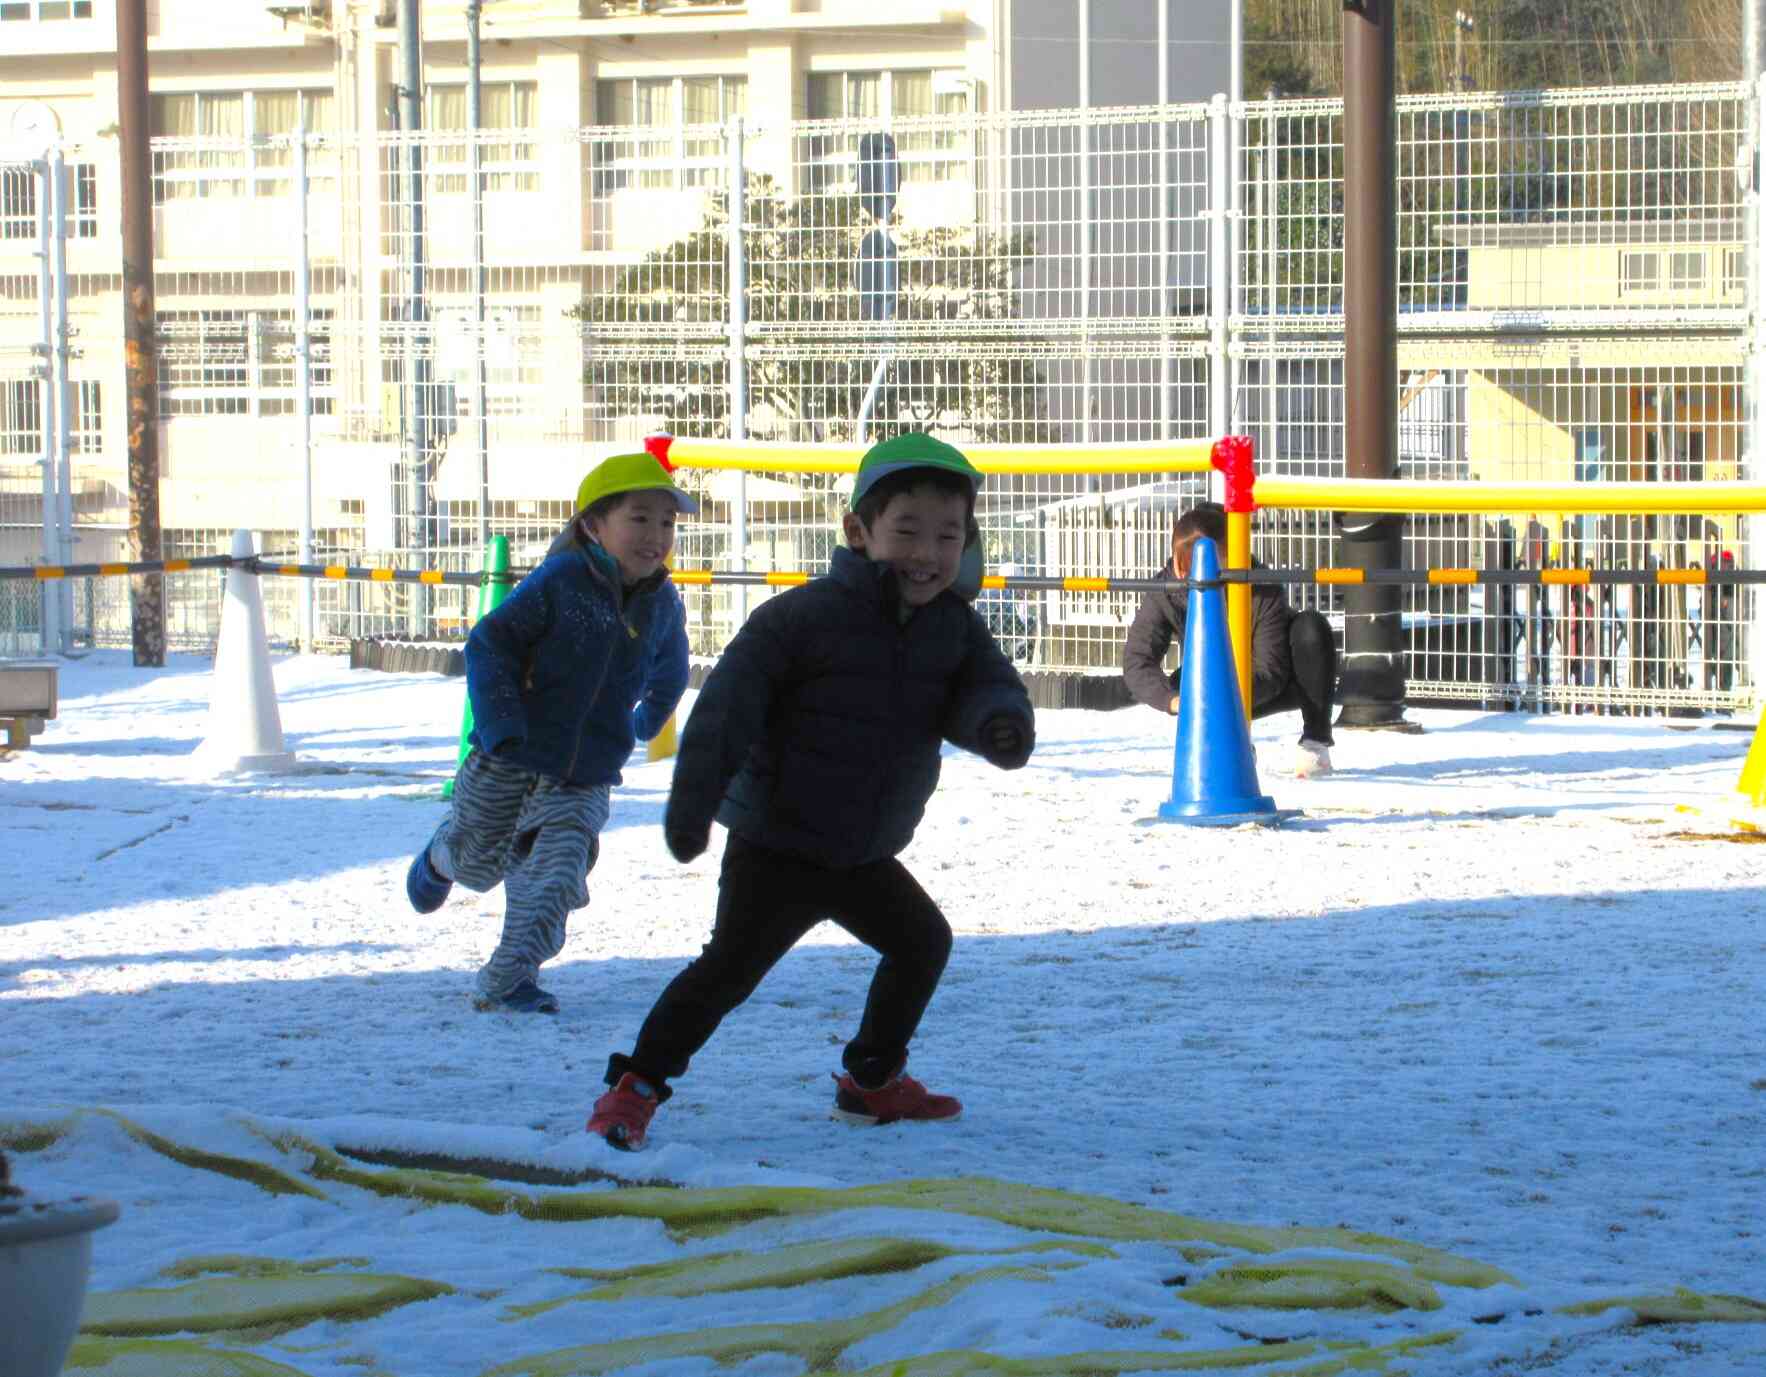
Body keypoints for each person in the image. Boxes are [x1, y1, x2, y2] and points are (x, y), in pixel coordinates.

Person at [586, 431, 1036, 1150]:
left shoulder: (952, 625)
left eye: (948, 534)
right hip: (778, 845)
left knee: (922, 942)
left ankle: (871, 1080)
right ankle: (635, 1086)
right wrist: (693, 805)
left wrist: (1000, 724)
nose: (928, 552)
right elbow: (727, 712)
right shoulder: (803, 618)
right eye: (908, 530)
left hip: (863, 852)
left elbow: (982, 688)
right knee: (726, 973)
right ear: (859, 531)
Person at [403, 450, 694, 1013]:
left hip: (585, 774)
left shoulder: (660, 601)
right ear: (592, 524)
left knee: (556, 873)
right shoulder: (561, 580)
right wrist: (501, 723)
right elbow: (491, 645)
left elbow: (673, 666)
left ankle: (510, 978)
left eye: (666, 522)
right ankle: (442, 856)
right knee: (479, 863)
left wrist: (649, 718)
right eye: (639, 518)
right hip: (512, 752)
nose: (655, 535)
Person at [1122, 501, 1337, 778]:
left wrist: (1219, 697)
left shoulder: (1262, 586)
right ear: (1179, 564)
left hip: (1275, 682)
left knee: (1311, 628)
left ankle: (1315, 742)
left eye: (1223, 562)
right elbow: (1137, 660)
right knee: (1184, 681)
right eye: (1208, 566)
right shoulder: (1165, 590)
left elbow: (1270, 671)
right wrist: (1174, 700)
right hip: (1211, 684)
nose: (1219, 574)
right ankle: (1225, 741)